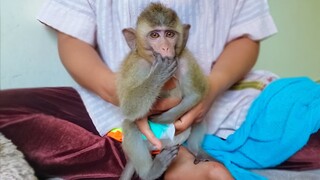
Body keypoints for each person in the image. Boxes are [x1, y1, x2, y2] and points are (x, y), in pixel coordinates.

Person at [2, 0, 318, 179]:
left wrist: (210, 90)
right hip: (112, 102)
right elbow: (72, 39)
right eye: (155, 36)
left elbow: (245, 37)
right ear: (132, 38)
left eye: (170, 36)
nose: (164, 46)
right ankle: (168, 162)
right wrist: (122, 94)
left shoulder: (189, 60)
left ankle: (170, 161)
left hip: (218, 101)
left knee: (302, 121)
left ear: (184, 35)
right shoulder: (129, 60)